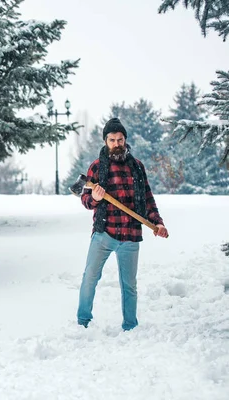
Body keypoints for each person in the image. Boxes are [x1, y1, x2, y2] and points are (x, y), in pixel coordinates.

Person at [78, 117, 168, 331]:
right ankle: (82, 322)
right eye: (112, 140)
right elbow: (84, 199)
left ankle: (130, 325)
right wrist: (96, 198)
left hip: (130, 235)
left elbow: (147, 199)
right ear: (105, 141)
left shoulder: (137, 167)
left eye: (120, 139)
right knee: (90, 277)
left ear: (125, 141)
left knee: (129, 285)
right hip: (104, 234)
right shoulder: (97, 168)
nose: (117, 144)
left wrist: (158, 223)